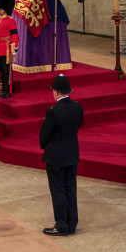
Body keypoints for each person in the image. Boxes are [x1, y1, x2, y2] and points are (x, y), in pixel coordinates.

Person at [40, 74, 83, 236]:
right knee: (70, 189)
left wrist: (45, 145)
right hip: (72, 154)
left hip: (56, 157)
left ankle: (62, 225)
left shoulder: (53, 112)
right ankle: (72, 224)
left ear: (56, 92)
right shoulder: (78, 107)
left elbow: (44, 137)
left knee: (58, 191)